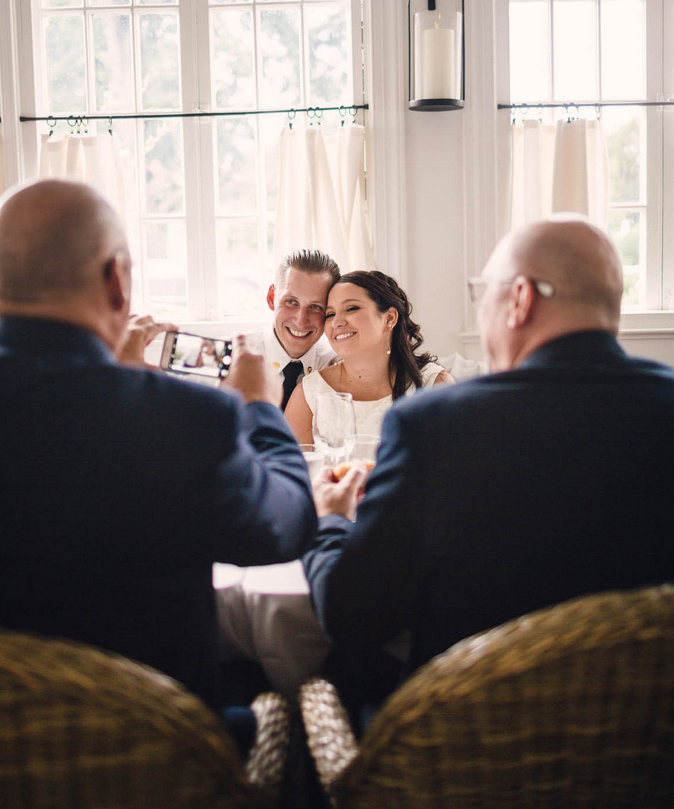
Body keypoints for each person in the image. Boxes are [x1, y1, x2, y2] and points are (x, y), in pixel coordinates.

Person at [0, 179, 317, 752]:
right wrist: (258, 405)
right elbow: (285, 529)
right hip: (157, 766)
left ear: (0, 278)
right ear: (117, 278)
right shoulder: (184, 419)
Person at [304, 217, 674, 717]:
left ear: (519, 300)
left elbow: (354, 617)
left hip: (468, 743)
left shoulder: (434, 424)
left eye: (484, 297)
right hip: (645, 735)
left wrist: (328, 521)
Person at [285, 269, 453, 443]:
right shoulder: (309, 394)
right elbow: (291, 468)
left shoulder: (433, 385)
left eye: (351, 308)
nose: (336, 322)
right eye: (330, 314)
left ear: (389, 319)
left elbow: (455, 465)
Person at [247, 249, 340, 410]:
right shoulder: (231, 358)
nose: (301, 320)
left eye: (316, 307)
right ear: (271, 298)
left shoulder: (335, 366)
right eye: (291, 302)